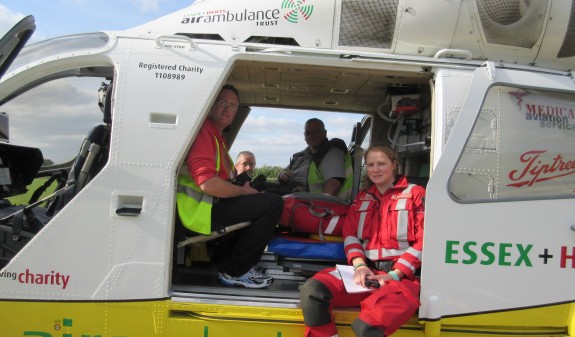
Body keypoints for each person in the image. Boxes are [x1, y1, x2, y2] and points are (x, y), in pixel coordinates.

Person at [299, 145, 426, 337]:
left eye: (382, 164)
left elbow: (425, 241)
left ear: (394, 165)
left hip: (401, 281)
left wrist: (394, 275)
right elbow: (350, 236)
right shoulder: (362, 198)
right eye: (371, 164)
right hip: (365, 274)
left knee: (367, 327)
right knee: (312, 291)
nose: (376, 169)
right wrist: (360, 267)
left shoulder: (415, 193)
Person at [177, 84, 283, 289]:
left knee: (264, 196)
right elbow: (206, 183)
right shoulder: (203, 133)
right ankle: (236, 271)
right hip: (198, 212)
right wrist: (243, 191)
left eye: (233, 106)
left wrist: (243, 186)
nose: (227, 109)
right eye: (222, 103)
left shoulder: (217, 136)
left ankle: (229, 262)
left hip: (209, 206)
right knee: (273, 204)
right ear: (209, 105)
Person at [277, 118, 353, 200]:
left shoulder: (331, 152)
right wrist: (281, 175)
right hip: (288, 192)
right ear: (304, 137)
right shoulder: (300, 156)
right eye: (307, 133)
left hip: (305, 200)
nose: (311, 136)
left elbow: (333, 184)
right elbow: (282, 173)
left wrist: (316, 207)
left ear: (325, 133)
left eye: (315, 132)